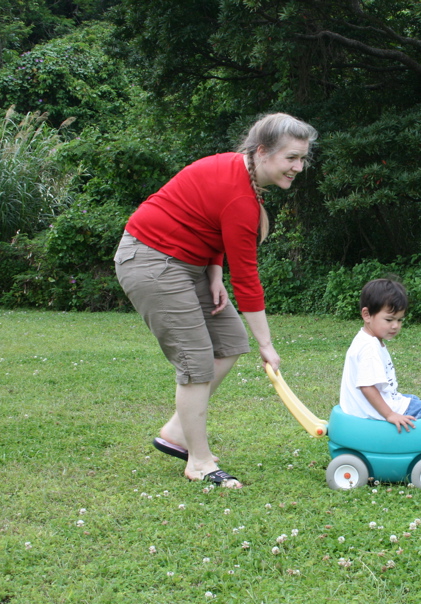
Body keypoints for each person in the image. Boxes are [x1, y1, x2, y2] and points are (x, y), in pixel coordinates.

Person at [114, 113, 318, 488]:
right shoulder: (240, 194)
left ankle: (177, 432)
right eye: (291, 158)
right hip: (151, 261)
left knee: (229, 343)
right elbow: (248, 280)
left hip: (188, 264)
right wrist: (268, 345)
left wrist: (212, 271)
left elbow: (205, 221)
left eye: (302, 158)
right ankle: (200, 462)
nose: (298, 167)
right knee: (196, 361)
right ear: (262, 152)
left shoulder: (243, 176)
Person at [339, 279, 421, 434]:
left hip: (365, 407)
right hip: (367, 413)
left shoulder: (368, 339)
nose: (395, 325)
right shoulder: (369, 348)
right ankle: (410, 445)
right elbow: (367, 386)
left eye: (399, 319)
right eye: (389, 319)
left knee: (413, 399)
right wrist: (390, 414)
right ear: (367, 315)